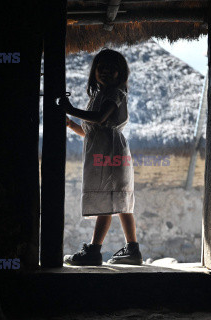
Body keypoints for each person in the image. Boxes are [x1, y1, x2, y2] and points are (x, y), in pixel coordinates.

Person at [57, 48, 142, 266]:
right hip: (108, 152)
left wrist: (70, 109)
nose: (105, 72)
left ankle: (94, 250)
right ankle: (132, 250)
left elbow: (100, 118)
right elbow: (91, 131)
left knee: (109, 198)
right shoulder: (99, 96)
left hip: (110, 155)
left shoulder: (114, 94)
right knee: (118, 199)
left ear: (120, 73)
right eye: (101, 68)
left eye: (111, 69)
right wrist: (71, 124)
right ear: (94, 71)